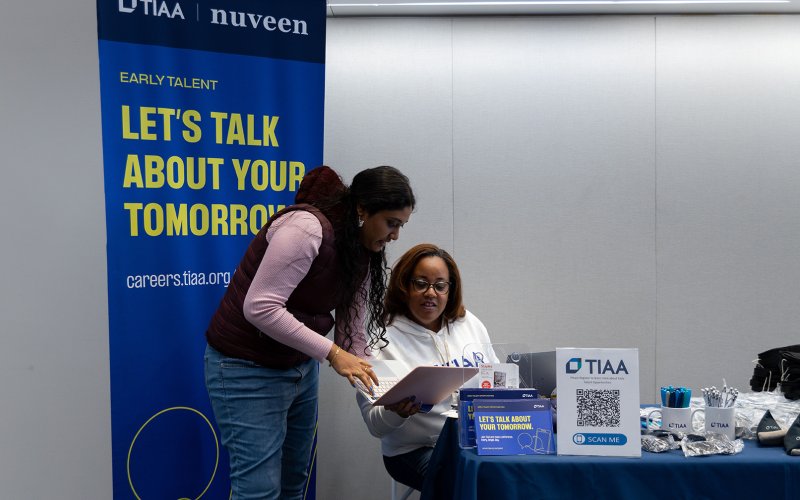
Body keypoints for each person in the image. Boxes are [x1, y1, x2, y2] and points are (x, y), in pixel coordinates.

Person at [204, 165, 415, 499]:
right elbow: (260, 307)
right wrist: (331, 353)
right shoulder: (305, 229)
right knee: (258, 489)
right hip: (244, 366)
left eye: (401, 226)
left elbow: (351, 341)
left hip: (297, 367)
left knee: (293, 482)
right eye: (391, 223)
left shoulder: (359, 251)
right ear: (362, 209)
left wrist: (388, 392)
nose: (395, 236)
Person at [357, 243, 496, 491]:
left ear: (450, 290)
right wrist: (397, 412)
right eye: (421, 283)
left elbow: (496, 377)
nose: (431, 293)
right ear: (404, 287)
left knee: (509, 476)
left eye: (440, 286)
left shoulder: (468, 322)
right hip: (413, 450)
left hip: (477, 441)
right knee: (464, 485)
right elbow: (375, 426)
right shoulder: (381, 341)